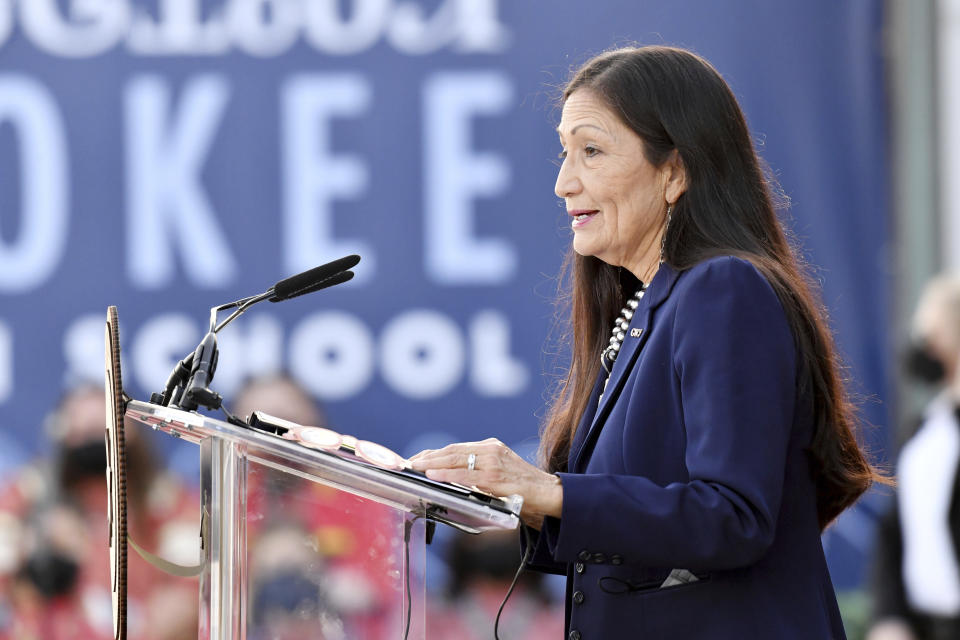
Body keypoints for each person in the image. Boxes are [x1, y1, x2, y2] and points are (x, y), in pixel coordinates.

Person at [411, 45, 884, 639]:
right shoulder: (647, 306)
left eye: (592, 151)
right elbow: (638, 545)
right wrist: (504, 503)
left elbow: (733, 517)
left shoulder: (723, 289)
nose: (563, 182)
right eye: (564, 152)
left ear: (675, 172)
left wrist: (551, 491)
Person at [868, 276, 960, 640]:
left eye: (930, 332)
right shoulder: (923, 431)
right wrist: (889, 617)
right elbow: (894, 533)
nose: (921, 345)